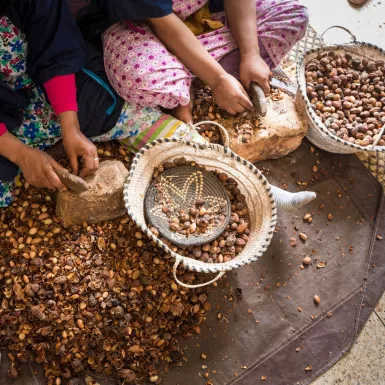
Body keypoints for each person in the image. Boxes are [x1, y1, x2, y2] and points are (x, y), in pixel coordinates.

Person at [0, 0, 198, 207]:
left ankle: (68, 135)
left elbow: (56, 50)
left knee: (100, 104)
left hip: (43, 81)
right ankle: (36, 150)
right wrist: (18, 153)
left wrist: (70, 126)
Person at [99, 0, 309, 123]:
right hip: (141, 26)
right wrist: (217, 79)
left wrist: (251, 53)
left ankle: (190, 81)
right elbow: (164, 25)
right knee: (137, 78)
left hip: (207, 12)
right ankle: (191, 83)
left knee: (293, 15)